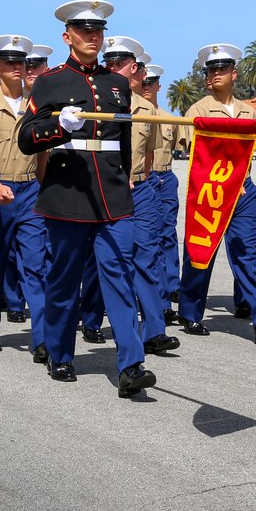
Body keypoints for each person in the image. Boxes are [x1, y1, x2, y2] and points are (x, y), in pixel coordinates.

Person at [18, 0, 155, 398]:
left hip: (112, 197)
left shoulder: (116, 84)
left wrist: (125, 178)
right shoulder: (50, 82)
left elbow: (124, 141)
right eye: (83, 30)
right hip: (68, 193)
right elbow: (26, 138)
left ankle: (131, 364)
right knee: (63, 280)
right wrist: (58, 126)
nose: (92, 36)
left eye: (98, 30)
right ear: (67, 37)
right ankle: (60, 352)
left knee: (119, 277)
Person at [177, 44, 256, 344]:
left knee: (246, 252)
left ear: (234, 73)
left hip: (242, 190)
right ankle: (190, 313)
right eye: (211, 70)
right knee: (201, 252)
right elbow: (192, 153)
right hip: (210, 192)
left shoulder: (249, 111)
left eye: (221, 69)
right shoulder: (197, 110)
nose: (215, 74)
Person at [79, 35, 179, 356]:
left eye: (119, 63)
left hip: (142, 188)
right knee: (102, 258)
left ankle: (153, 331)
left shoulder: (147, 109)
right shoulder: (98, 103)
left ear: (133, 67)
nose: (112, 68)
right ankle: (92, 319)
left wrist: (141, 178)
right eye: (108, 62)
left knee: (146, 257)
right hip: (108, 188)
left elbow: (149, 154)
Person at [0, 34, 50, 354]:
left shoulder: (37, 104)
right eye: (10, 62)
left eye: (22, 62)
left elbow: (43, 151)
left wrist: (42, 185)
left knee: (36, 265)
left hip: (30, 190)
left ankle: (42, 338)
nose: (18, 67)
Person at [141, 63, 185, 322]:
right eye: (143, 83)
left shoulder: (170, 119)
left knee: (167, 233)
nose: (146, 87)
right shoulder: (134, 113)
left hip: (165, 176)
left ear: (158, 86)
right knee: (146, 237)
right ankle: (152, 290)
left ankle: (172, 285)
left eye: (151, 83)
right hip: (142, 177)